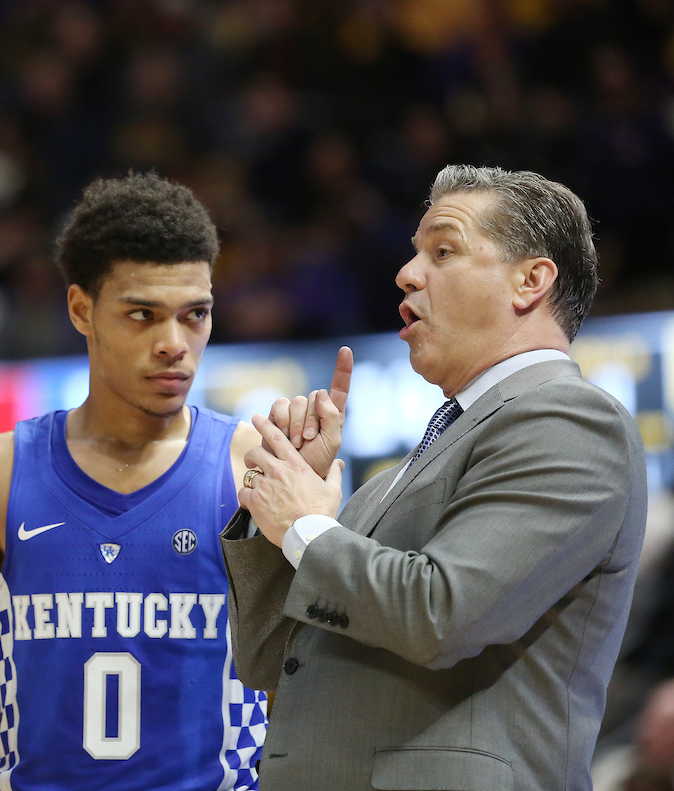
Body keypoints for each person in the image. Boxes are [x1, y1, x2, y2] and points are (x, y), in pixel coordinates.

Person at [0, 171, 351, 791]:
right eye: (143, 315)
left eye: (195, 315)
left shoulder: (257, 466)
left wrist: (315, 528)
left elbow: (321, 685)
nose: (174, 344)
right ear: (82, 309)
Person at [222, 164, 647, 790]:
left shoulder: (571, 418)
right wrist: (277, 508)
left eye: (443, 251)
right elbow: (269, 660)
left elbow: (439, 613)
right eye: (415, 251)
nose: (407, 272)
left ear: (531, 280)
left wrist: (304, 524)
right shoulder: (404, 473)